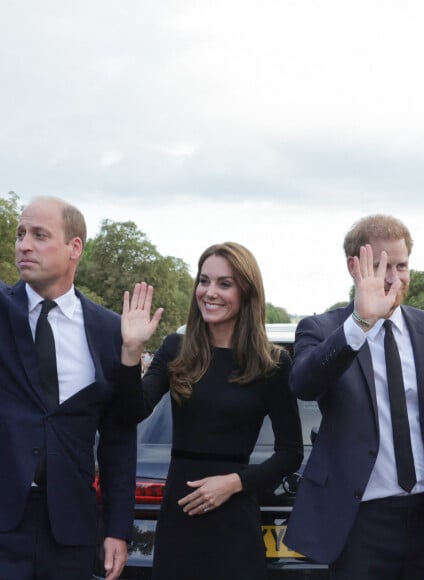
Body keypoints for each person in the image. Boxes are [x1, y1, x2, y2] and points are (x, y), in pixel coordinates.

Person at [117, 242, 304, 580]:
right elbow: (132, 411)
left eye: (224, 283)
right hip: (179, 517)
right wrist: (132, 351)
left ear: (246, 292)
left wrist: (234, 483)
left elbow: (289, 453)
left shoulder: (273, 364)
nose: (210, 292)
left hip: (235, 519)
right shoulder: (177, 349)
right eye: (204, 281)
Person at [284, 215, 424, 579]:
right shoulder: (323, 329)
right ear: (354, 267)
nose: (394, 278)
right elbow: (304, 384)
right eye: (381, 266)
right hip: (360, 521)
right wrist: (361, 323)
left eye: (402, 265)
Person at [0, 196, 144, 580]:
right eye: (20, 234)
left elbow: (118, 439)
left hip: (71, 530)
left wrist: (117, 529)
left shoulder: (109, 330)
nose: (23, 245)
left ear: (74, 247)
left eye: (39, 235)